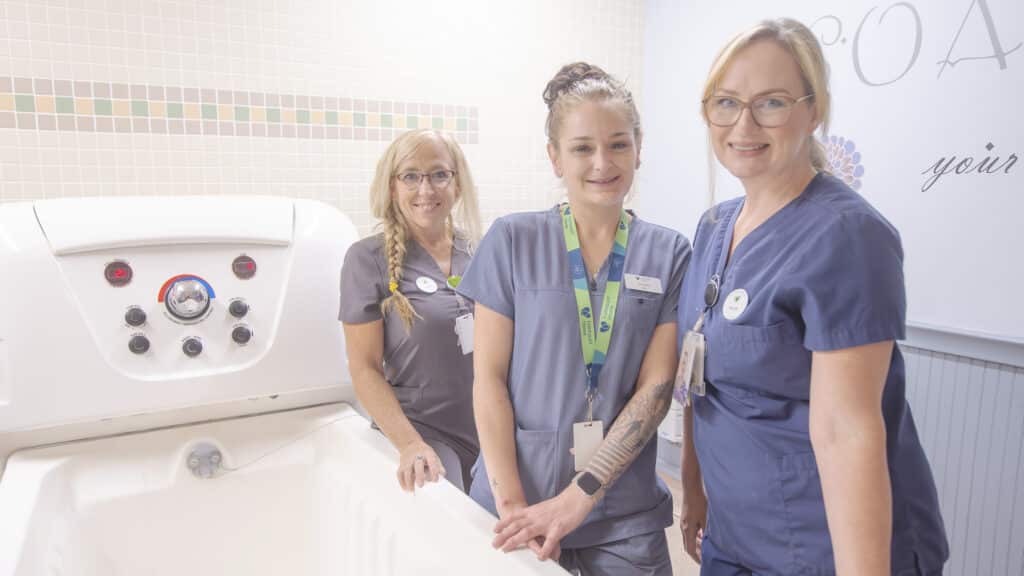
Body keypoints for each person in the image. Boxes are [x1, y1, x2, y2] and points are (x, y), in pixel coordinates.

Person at [676, 18, 949, 575]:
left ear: (813, 110)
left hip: (820, 548)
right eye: (725, 102)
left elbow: (846, 431)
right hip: (733, 537)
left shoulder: (846, 236)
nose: (743, 123)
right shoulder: (713, 227)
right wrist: (693, 486)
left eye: (771, 102)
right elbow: (699, 381)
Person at [456, 62, 690, 575]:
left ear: (638, 147)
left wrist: (579, 497)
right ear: (555, 157)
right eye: (582, 147)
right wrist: (514, 508)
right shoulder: (512, 241)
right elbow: (488, 381)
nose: (602, 162)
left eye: (618, 144)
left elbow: (655, 389)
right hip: (513, 496)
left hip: (622, 514)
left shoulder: (669, 253)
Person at [339, 129, 481, 493]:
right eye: (411, 176)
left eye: (439, 174)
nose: (426, 190)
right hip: (423, 430)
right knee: (452, 521)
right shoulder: (367, 259)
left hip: (487, 426)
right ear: (392, 187)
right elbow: (364, 368)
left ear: (457, 183)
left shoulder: (479, 251)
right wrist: (409, 444)